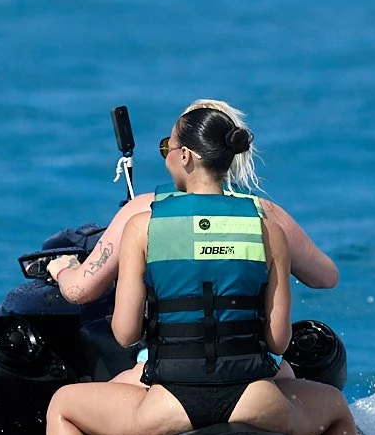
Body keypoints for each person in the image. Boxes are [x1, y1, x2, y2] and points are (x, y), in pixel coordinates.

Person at [43, 103, 361, 435]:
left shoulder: (143, 224)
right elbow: (277, 340)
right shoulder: (265, 226)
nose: (166, 153)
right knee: (335, 408)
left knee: (63, 406)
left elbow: (125, 332)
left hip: (169, 407)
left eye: (167, 146)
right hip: (257, 404)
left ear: (187, 157)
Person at [43, 97, 337, 308]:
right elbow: (326, 277)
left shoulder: (143, 212)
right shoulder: (265, 216)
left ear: (184, 154)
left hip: (170, 367)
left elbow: (81, 290)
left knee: (66, 397)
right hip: (251, 362)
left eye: (166, 147)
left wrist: (62, 267)